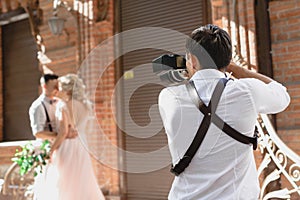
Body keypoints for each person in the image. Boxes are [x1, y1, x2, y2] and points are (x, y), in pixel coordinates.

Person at [158, 24, 290, 199]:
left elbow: (198, 96)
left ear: (193, 59)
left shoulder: (168, 97)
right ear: (227, 61)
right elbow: (282, 95)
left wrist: (193, 74)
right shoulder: (247, 91)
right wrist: (239, 70)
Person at [33, 73, 105, 200]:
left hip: (67, 147)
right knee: (82, 181)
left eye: (59, 86)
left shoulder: (63, 105)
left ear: (66, 89)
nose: (57, 89)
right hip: (82, 146)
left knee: (63, 182)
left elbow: (63, 133)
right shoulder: (85, 105)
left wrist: (51, 150)